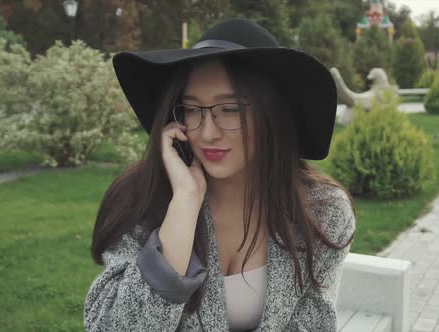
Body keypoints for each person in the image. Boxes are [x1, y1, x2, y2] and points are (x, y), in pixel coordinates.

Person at [84, 18, 356, 332]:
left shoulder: (322, 212)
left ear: (272, 115)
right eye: (192, 109)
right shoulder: (142, 200)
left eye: (229, 110)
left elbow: (315, 324)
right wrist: (184, 204)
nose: (207, 132)